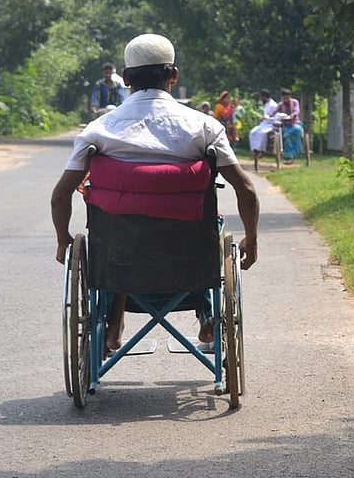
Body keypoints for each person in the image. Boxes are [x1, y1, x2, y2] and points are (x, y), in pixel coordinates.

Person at [51, 33, 259, 352]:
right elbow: (245, 188)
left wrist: (63, 239)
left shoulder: (98, 131)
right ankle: (207, 316)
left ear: (126, 78)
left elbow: (60, 196)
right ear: (173, 75)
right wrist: (251, 240)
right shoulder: (204, 127)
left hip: (120, 258)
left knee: (115, 232)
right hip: (188, 256)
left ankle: (113, 323)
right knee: (211, 227)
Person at [248, 89, 279, 170]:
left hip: (271, 124)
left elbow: (272, 117)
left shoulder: (273, 105)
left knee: (262, 133)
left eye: (261, 97)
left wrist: (264, 118)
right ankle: (254, 150)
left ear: (264, 97)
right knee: (252, 132)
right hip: (264, 123)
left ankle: (261, 151)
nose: (261, 99)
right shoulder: (266, 104)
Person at [274, 88, 303, 164]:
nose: (285, 100)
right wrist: (268, 115)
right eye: (284, 98)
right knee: (286, 138)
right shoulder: (280, 104)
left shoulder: (295, 102)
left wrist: (293, 115)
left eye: (287, 98)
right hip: (286, 126)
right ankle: (289, 157)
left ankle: (294, 154)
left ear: (290, 97)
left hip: (295, 124)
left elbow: (297, 111)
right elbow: (274, 111)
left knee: (294, 133)